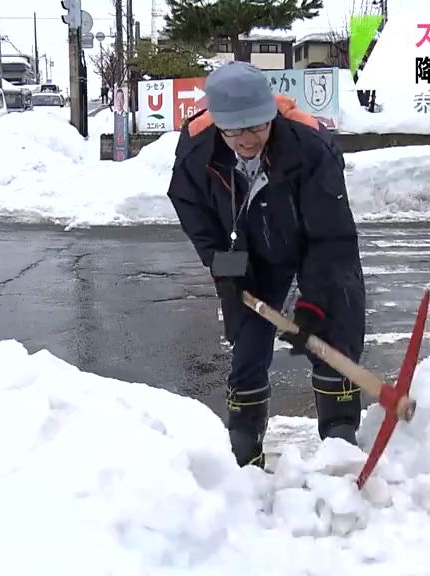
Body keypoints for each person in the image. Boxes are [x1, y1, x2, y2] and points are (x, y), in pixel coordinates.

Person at [167, 62, 366, 468]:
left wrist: (314, 304)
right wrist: (222, 263)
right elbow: (191, 207)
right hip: (249, 252)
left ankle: (340, 445)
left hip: (314, 244)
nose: (247, 139)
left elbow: (329, 237)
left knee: (333, 336)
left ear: (271, 114)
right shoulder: (197, 148)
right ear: (218, 123)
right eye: (234, 130)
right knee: (248, 344)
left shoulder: (310, 145)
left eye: (257, 126)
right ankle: (244, 448)